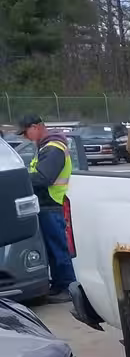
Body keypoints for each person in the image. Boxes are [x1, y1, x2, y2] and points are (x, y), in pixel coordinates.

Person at [18, 114, 75, 303]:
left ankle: (67, 286)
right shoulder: (45, 147)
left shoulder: (53, 149)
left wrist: (20, 179)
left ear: (35, 127)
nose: (26, 138)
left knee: (58, 248)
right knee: (52, 248)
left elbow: (43, 178)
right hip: (45, 204)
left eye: (26, 133)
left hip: (51, 204)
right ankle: (58, 285)